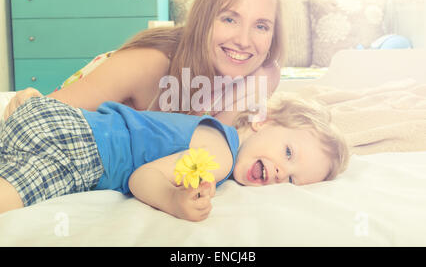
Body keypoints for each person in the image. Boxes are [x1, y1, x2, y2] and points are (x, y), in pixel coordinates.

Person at [3, 0, 285, 126]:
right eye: (229, 19)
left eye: (261, 26)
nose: (244, 41)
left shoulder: (263, 72)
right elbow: (37, 118)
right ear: (202, 19)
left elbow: (212, 143)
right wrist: (30, 102)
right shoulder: (149, 63)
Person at [0, 93, 349, 221]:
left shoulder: (217, 139)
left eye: (291, 178)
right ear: (262, 121)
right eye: (288, 153)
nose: (279, 171)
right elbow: (142, 179)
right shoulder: (220, 155)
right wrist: (174, 199)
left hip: (58, 119)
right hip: (81, 148)